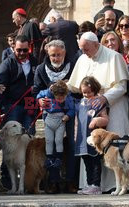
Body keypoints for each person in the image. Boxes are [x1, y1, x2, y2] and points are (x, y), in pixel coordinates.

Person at [67, 32, 129, 192]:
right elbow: (74, 85)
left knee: (115, 145)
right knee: (91, 147)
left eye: (86, 49)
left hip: (114, 103)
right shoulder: (83, 58)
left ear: (96, 45)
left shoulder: (114, 57)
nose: (84, 53)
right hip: (90, 106)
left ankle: (120, 183)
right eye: (82, 49)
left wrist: (105, 97)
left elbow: (121, 87)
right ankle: (94, 184)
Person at [33, 40, 77, 193]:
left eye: (59, 55)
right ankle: (53, 181)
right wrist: (39, 99)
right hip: (50, 114)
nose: (56, 58)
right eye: (53, 55)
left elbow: (79, 88)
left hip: (69, 113)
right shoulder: (40, 69)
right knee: (51, 148)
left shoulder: (74, 66)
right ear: (48, 54)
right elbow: (35, 90)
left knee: (71, 145)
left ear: (64, 53)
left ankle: (71, 180)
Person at [0, 35, 38, 190]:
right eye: (18, 50)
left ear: (29, 48)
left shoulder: (34, 62)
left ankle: (29, 181)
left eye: (25, 50)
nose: (21, 53)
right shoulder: (7, 63)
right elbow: (0, 84)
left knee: (29, 142)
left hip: (29, 106)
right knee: (8, 144)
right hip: (13, 106)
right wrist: (4, 107)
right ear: (13, 48)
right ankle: (6, 179)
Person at [36, 80, 75, 193]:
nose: (60, 100)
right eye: (58, 98)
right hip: (49, 119)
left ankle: (58, 158)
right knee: (49, 141)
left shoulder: (68, 98)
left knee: (58, 140)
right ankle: (50, 159)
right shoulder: (48, 94)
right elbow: (39, 94)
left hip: (61, 120)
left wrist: (68, 115)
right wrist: (40, 100)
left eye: (62, 98)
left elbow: (72, 109)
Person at [75, 76, 109, 195]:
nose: (87, 95)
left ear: (94, 90)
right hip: (82, 139)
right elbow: (77, 120)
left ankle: (96, 185)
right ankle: (89, 184)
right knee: (87, 162)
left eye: (89, 92)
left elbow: (105, 119)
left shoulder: (98, 102)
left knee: (95, 162)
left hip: (94, 139)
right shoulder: (80, 103)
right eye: (84, 92)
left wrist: (97, 120)